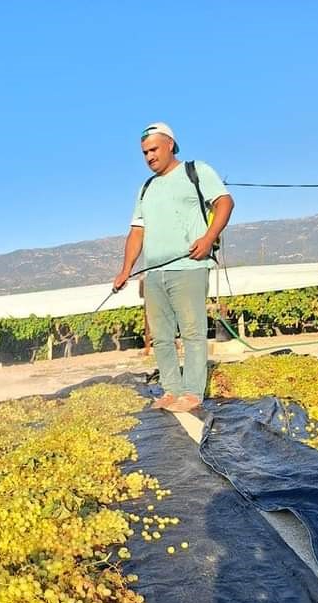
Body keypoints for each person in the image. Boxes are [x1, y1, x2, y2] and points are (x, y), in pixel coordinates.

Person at [114, 123, 234, 412]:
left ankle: (192, 393)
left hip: (189, 267)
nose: (149, 157)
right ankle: (171, 390)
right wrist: (125, 269)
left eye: (153, 149)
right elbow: (136, 232)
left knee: (192, 332)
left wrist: (208, 238)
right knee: (162, 337)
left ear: (170, 144)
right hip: (153, 273)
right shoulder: (146, 188)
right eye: (144, 153)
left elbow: (225, 202)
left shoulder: (196, 171)